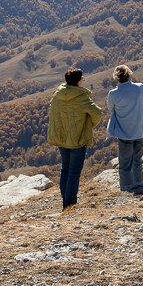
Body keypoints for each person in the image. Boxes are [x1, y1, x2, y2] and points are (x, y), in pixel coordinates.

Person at [46, 68, 102, 211]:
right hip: (77, 139)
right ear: (78, 81)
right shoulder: (81, 97)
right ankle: (70, 204)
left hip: (61, 137)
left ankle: (65, 199)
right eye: (82, 78)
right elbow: (97, 113)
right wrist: (88, 125)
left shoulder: (57, 95)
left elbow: (52, 113)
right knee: (74, 172)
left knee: (65, 168)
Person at [106, 63, 143, 194]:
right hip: (140, 131)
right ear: (129, 75)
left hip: (123, 133)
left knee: (125, 165)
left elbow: (111, 109)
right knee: (137, 161)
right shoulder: (140, 88)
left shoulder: (113, 93)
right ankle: (139, 185)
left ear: (117, 78)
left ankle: (126, 189)